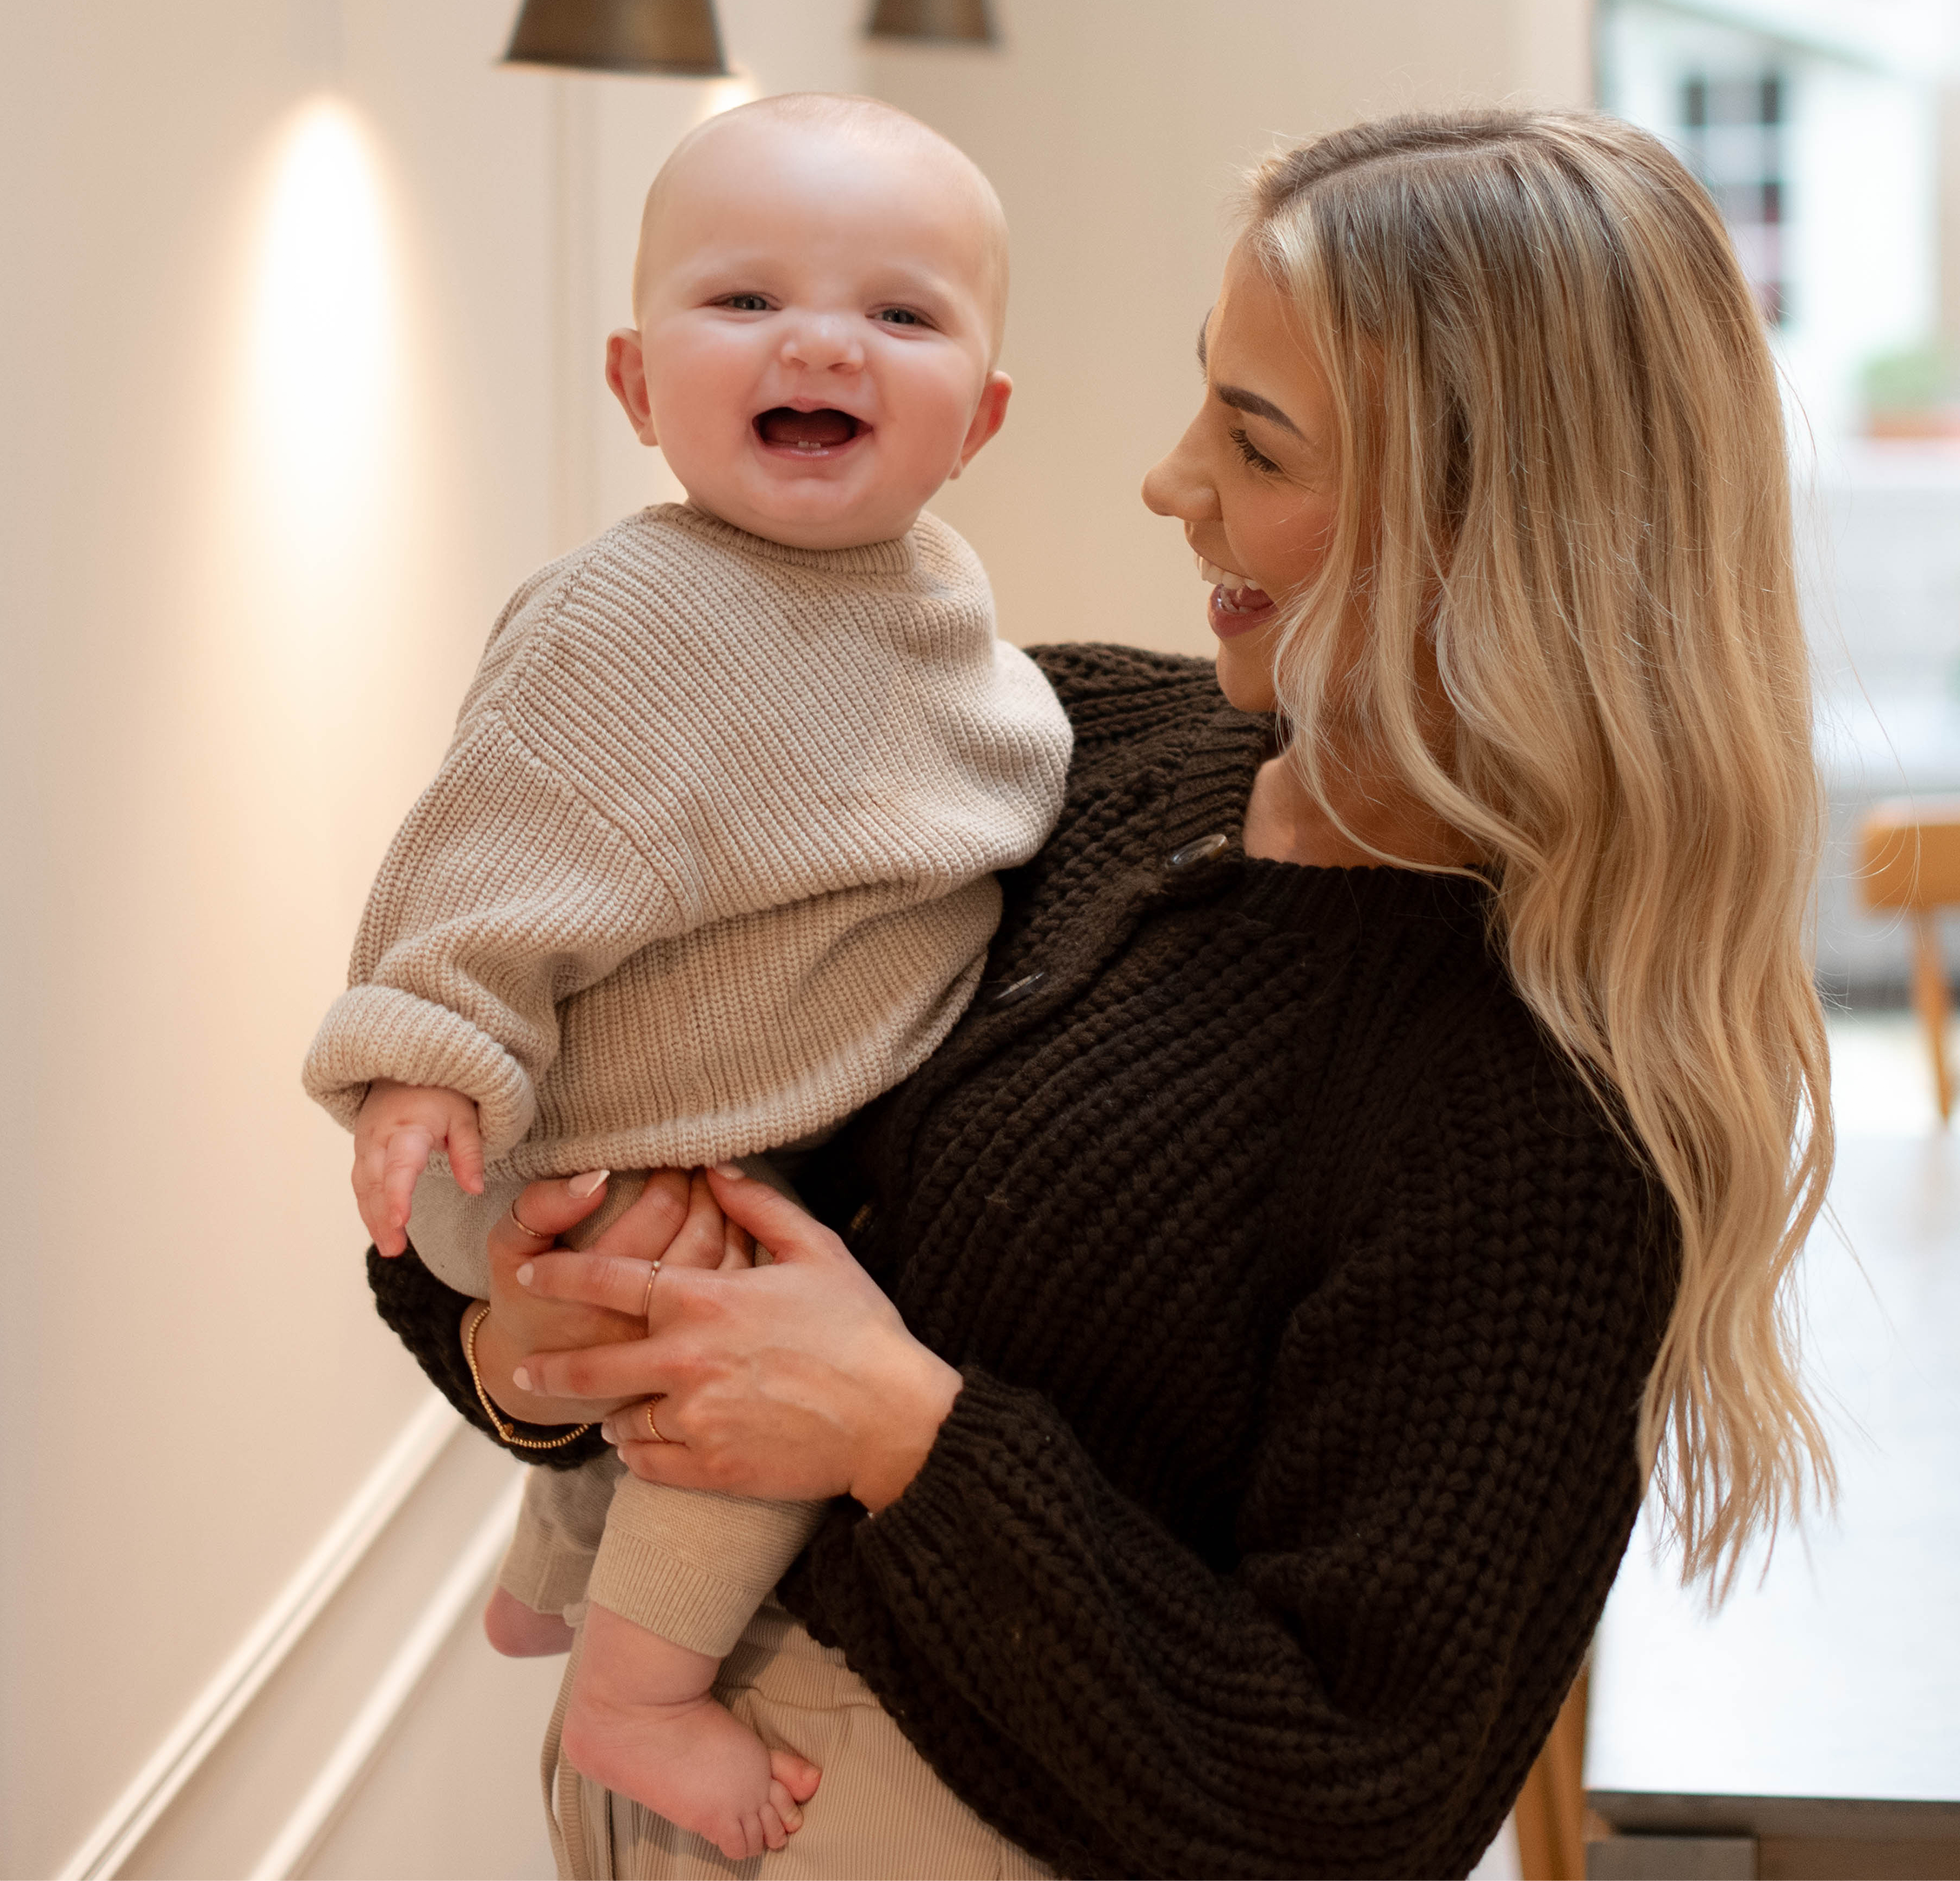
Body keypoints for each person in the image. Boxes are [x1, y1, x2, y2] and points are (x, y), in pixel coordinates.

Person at [375, 107, 1838, 1880]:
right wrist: (518, 1351)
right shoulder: (1054, 752)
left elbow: (1352, 1806)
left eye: (1257, 440)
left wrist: (903, 1432)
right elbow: (614, 1085)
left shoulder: (1542, 1107)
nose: (1168, 481)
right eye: (1202, 399)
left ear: (1488, 529)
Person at [303, 93, 1072, 1858]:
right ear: (636, 385)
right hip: (548, 1135)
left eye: (900, 313)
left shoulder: (927, 599)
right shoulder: (630, 621)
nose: (819, 340)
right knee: (756, 1329)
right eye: (743, 302)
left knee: (738, 1265)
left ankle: (556, 1566)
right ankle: (638, 1695)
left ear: (982, 418)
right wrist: (429, 1057)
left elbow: (981, 786)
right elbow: (490, 853)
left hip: (687, 1128)